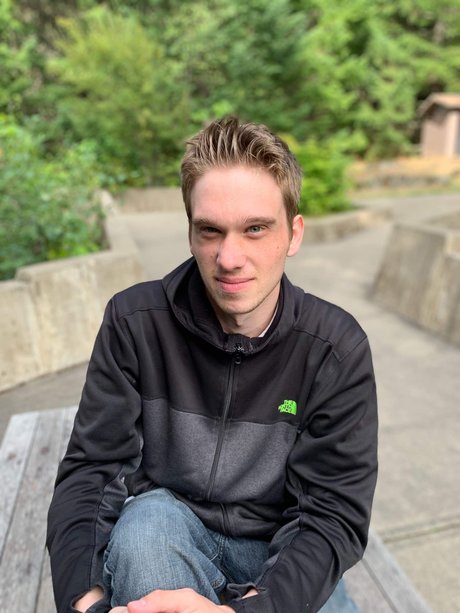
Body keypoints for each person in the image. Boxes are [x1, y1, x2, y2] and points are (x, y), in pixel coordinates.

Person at [47, 116, 378, 613]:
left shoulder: (335, 348)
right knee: (144, 530)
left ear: (293, 234)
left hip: (279, 554)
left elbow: (331, 514)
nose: (229, 257)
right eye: (210, 231)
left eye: (255, 229)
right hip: (168, 531)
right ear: (190, 233)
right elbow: (92, 470)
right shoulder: (135, 324)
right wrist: (86, 603)